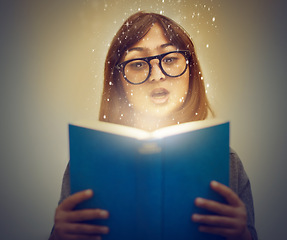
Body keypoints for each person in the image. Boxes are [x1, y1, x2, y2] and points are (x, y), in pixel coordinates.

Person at [49, 12, 258, 240]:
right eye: (138, 63)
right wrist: (59, 236)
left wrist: (242, 235)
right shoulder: (86, 165)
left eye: (169, 59)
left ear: (190, 69)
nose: (157, 75)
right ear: (118, 82)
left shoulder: (227, 162)